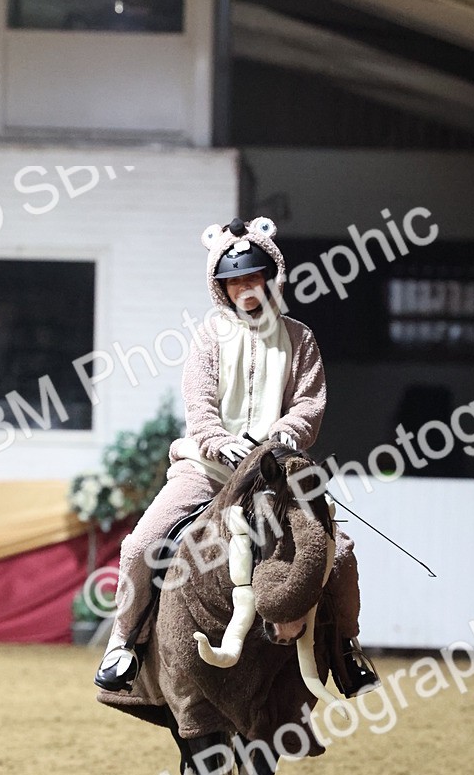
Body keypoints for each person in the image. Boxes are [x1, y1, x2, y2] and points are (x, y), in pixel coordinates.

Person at [94, 215, 377, 696]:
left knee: (339, 552)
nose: (246, 289)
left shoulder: (301, 339)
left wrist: (275, 439)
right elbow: (199, 405)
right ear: (220, 288)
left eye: (253, 278)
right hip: (205, 472)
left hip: (274, 473)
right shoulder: (207, 338)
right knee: (140, 546)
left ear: (271, 278)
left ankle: (347, 650)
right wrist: (219, 441)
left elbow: (309, 407)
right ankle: (124, 644)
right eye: (235, 281)